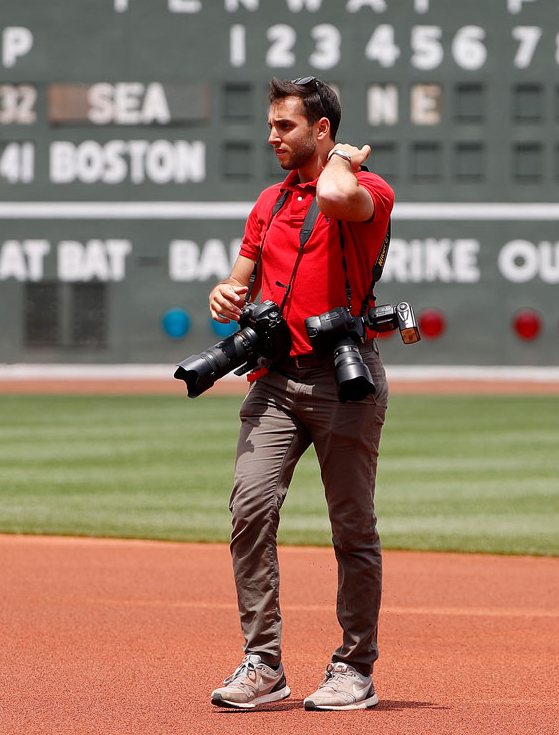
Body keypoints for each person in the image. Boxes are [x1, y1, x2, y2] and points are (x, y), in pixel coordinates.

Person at [207, 76, 393, 712]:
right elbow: (238, 281)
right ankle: (263, 663)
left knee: (351, 527)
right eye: (271, 124)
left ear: (321, 130)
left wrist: (340, 158)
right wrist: (225, 294)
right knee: (250, 509)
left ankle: (355, 667)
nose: (271, 137)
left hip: (345, 381)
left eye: (285, 126)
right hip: (277, 382)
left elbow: (340, 194)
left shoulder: (367, 190)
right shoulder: (268, 201)